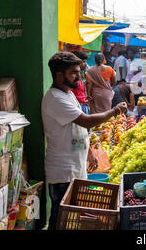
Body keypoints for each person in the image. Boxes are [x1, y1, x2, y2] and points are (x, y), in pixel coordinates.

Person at [42, 52, 127, 230]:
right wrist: (115, 111)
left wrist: (89, 153)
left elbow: (78, 127)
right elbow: (85, 121)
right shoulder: (55, 98)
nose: (79, 77)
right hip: (63, 172)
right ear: (59, 75)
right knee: (60, 219)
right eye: (73, 73)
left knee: (73, 218)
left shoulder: (68, 94)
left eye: (80, 72)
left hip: (76, 167)